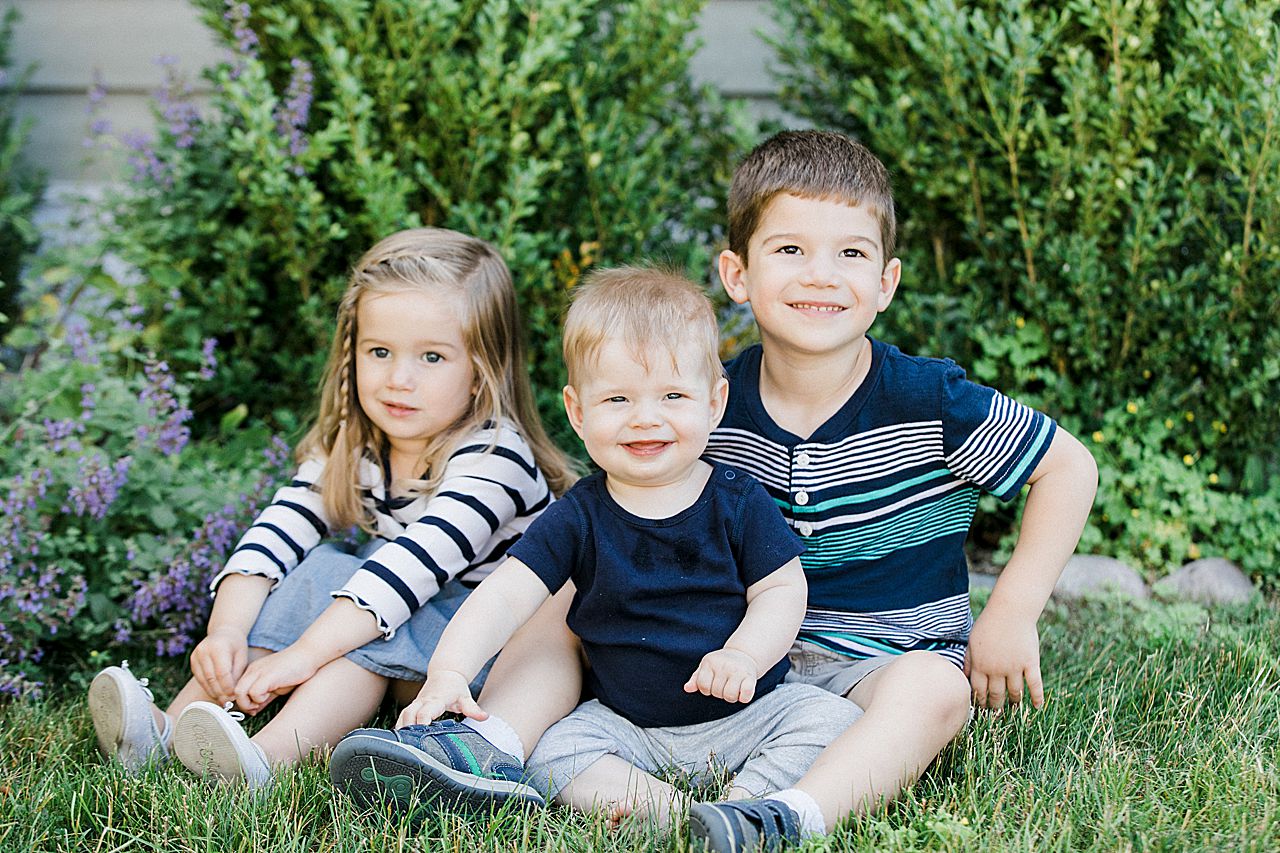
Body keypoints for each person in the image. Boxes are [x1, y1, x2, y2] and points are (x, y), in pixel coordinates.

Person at [330, 129, 1099, 851]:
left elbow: (1068, 467)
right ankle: (489, 741)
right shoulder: (697, 406)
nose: (822, 274)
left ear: (886, 281)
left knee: (937, 690)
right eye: (790, 248)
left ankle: (783, 815)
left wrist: (1012, 613)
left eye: (851, 252)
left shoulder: (929, 401)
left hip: (878, 664)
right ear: (738, 273)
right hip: (714, 663)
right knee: (567, 583)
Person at [329, 267, 860, 828]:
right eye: (618, 399)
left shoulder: (737, 502)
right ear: (578, 412)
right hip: (624, 724)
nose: (645, 418)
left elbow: (781, 588)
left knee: (829, 719)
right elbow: (505, 596)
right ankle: (677, 815)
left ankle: (745, 806)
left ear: (714, 402)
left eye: (673, 395)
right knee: (553, 750)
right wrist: (451, 671)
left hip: (750, 712)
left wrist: (745, 655)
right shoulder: (578, 516)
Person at [87, 227, 577, 788]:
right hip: (408, 619)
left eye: (433, 357)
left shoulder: (496, 458)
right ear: (352, 352)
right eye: (380, 351)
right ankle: (165, 729)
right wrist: (225, 632)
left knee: (364, 632)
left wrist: (304, 654)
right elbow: (277, 532)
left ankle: (264, 760)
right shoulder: (355, 442)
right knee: (324, 568)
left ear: (481, 371)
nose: (399, 379)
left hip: (479, 660)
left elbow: (412, 568)